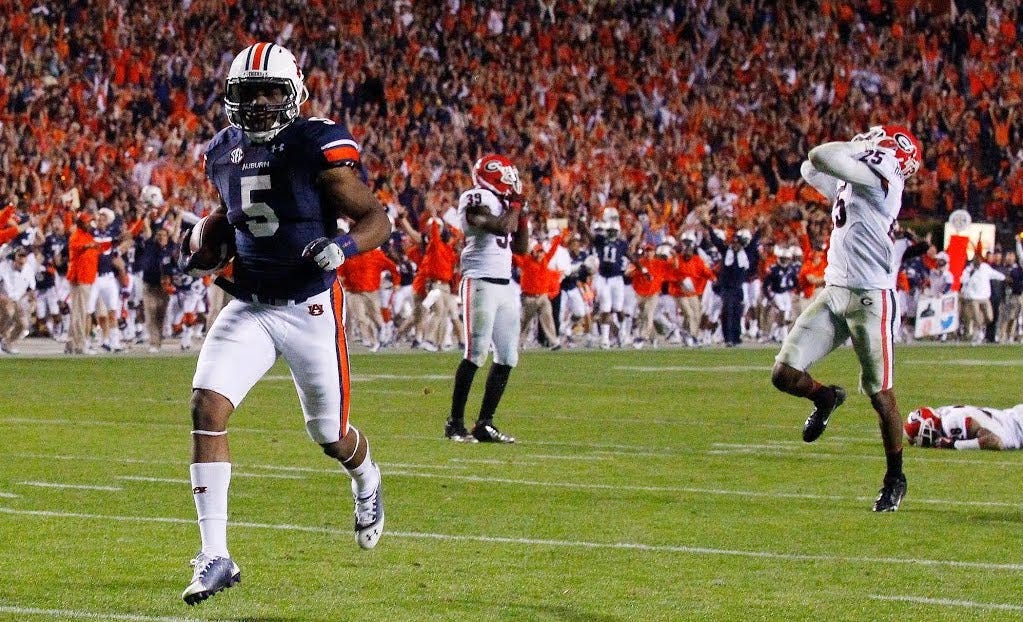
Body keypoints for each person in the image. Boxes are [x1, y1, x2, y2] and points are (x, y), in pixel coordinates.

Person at [180, 43, 391, 606]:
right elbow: (232, 223)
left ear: (293, 92)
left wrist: (343, 246)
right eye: (251, 93)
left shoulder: (314, 144)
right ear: (233, 98)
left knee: (329, 435)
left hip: (309, 306)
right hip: (249, 302)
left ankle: (366, 477)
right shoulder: (222, 152)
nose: (261, 103)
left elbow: (377, 218)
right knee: (207, 407)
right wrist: (202, 245)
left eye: (272, 91)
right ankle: (216, 555)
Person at [771, 124, 922, 512]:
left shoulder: (882, 178)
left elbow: (820, 155)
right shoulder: (858, 180)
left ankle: (895, 476)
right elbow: (810, 170)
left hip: (872, 298)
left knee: (880, 394)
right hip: (834, 290)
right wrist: (857, 152)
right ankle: (825, 397)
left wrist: (859, 148)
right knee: (784, 374)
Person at [445, 153, 529, 444]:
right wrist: (515, 206)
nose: (511, 183)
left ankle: (484, 423)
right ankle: (454, 423)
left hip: (505, 285)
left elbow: (522, 247)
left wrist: (522, 212)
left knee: (507, 357)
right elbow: (500, 227)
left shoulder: (505, 204)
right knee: (476, 353)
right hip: (479, 281)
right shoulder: (476, 197)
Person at [905, 404, 1023, 450]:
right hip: (1013, 417)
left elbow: (995, 441)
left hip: (1019, 426)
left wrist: (954, 444)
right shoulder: (943, 413)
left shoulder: (950, 423)